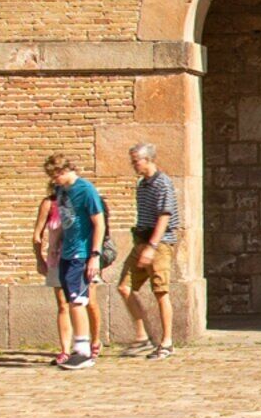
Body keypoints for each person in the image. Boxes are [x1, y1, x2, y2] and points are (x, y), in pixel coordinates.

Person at [35, 155, 107, 371]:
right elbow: (62, 224)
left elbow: (99, 224)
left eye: (54, 175)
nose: (53, 181)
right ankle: (79, 348)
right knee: (71, 300)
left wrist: (94, 255)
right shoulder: (61, 192)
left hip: (82, 254)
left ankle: (84, 352)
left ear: (63, 171)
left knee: (78, 300)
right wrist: (55, 245)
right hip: (66, 254)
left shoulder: (86, 190)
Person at [116, 142, 182, 358]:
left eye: (137, 161)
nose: (134, 165)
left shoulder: (162, 183)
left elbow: (165, 216)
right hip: (142, 242)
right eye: (133, 161)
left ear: (149, 159)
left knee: (160, 291)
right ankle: (142, 337)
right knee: (124, 287)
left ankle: (167, 342)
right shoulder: (142, 185)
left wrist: (152, 247)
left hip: (159, 244)